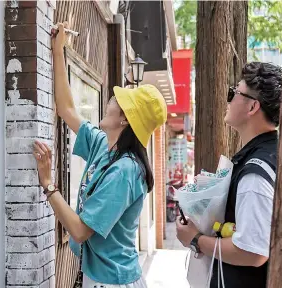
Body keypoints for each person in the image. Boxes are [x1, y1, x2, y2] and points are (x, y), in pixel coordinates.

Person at [33, 22, 167, 288]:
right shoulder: (104, 146)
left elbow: (81, 231)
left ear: (126, 121)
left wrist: (48, 184)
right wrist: (58, 51)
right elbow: (67, 110)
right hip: (99, 277)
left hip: (113, 283)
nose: (110, 100)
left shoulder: (125, 172)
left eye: (119, 101)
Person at [176, 62, 282, 287]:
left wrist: (195, 240)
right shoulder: (271, 153)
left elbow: (253, 252)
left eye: (234, 93)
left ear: (252, 107)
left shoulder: (255, 172)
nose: (228, 99)